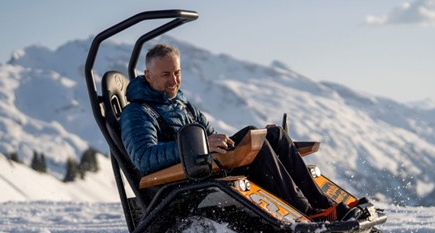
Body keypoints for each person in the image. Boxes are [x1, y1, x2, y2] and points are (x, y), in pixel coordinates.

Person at [120, 43, 340, 219]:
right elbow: (144, 159)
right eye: (166, 74)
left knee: (272, 136)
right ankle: (308, 213)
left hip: (203, 167)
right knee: (258, 143)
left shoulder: (181, 103)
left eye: (177, 72)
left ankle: (325, 207)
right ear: (148, 76)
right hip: (182, 182)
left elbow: (210, 136)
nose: (174, 80)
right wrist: (198, 147)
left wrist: (219, 144)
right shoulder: (138, 113)